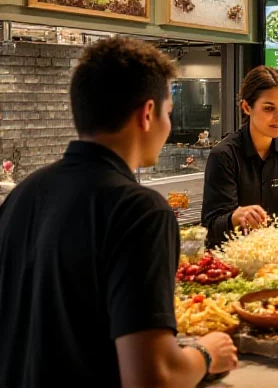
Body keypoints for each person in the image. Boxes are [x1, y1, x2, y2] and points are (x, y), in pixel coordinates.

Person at [0, 38, 237, 387]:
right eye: (168, 114)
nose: (168, 126)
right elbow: (152, 378)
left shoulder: (21, 195)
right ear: (146, 114)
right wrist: (206, 354)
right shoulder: (141, 211)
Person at [202, 66, 278, 248]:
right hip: (231, 262)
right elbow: (210, 228)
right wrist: (235, 218)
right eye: (269, 108)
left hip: (275, 259)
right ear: (247, 107)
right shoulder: (224, 156)